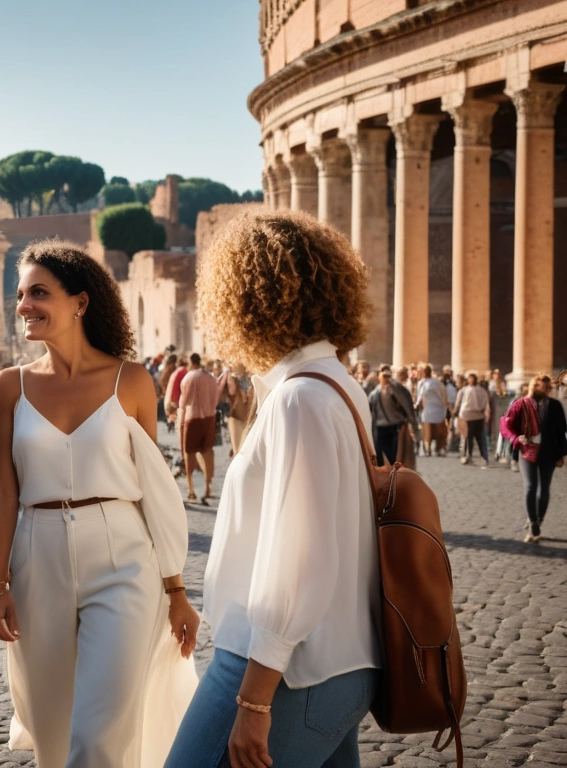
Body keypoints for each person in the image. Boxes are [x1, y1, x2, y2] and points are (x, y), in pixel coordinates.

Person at [166, 210, 381, 768]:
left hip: (282, 671)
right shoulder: (340, 385)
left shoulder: (297, 399)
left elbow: (299, 560)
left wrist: (254, 700)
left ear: (246, 300)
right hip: (341, 662)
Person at [0, 239, 199, 768]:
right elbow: (2, 490)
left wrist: (176, 590)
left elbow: (155, 490)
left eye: (39, 292)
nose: (24, 305)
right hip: (38, 559)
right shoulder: (6, 388)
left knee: (99, 737)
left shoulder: (132, 381)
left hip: (124, 559)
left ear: (79, 302)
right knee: (54, 739)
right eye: (20, 294)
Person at [501, 375, 567, 542]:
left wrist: (561, 455)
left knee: (544, 490)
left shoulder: (555, 406)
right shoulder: (520, 403)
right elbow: (510, 426)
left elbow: (561, 432)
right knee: (531, 486)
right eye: (544, 387)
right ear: (535, 386)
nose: (547, 390)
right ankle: (532, 523)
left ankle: (538, 521)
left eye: (548, 387)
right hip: (526, 452)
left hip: (549, 453)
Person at [178, 352, 220, 503]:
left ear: (190, 362)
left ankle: (191, 490)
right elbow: (215, 399)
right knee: (208, 453)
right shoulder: (210, 378)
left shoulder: (188, 378)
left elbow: (184, 403)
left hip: (192, 418)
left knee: (189, 453)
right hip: (209, 418)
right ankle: (208, 487)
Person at [368, 371, 412, 466]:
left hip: (390, 425)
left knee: (390, 451)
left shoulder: (392, 391)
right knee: (387, 451)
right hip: (385, 425)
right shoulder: (377, 392)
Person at [453, 372, 489, 466]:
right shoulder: (482, 390)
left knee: (468, 437)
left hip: (467, 415)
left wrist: (454, 412)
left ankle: (468, 456)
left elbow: (457, 403)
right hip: (477, 415)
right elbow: (485, 403)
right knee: (478, 437)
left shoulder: (464, 390)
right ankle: (482, 457)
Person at [415, 364, 449, 456]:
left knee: (439, 429)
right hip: (428, 408)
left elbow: (443, 394)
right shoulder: (421, 383)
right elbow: (419, 396)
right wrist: (417, 405)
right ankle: (427, 448)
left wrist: (445, 405)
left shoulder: (436, 382)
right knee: (427, 429)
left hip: (438, 407)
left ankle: (440, 447)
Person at [220, 364, 251, 457]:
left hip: (236, 414)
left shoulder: (230, 377)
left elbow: (232, 391)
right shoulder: (248, 376)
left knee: (238, 447)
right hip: (245, 413)